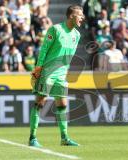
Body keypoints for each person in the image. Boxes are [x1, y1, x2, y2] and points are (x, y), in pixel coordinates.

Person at [29, 5, 85, 147]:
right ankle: (32, 138)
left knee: (62, 104)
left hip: (61, 74)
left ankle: (64, 138)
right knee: (40, 102)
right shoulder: (55, 29)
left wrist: (66, 71)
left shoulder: (76, 35)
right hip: (47, 71)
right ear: (71, 16)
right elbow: (44, 49)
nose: (82, 18)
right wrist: (38, 68)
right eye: (80, 15)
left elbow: (69, 56)